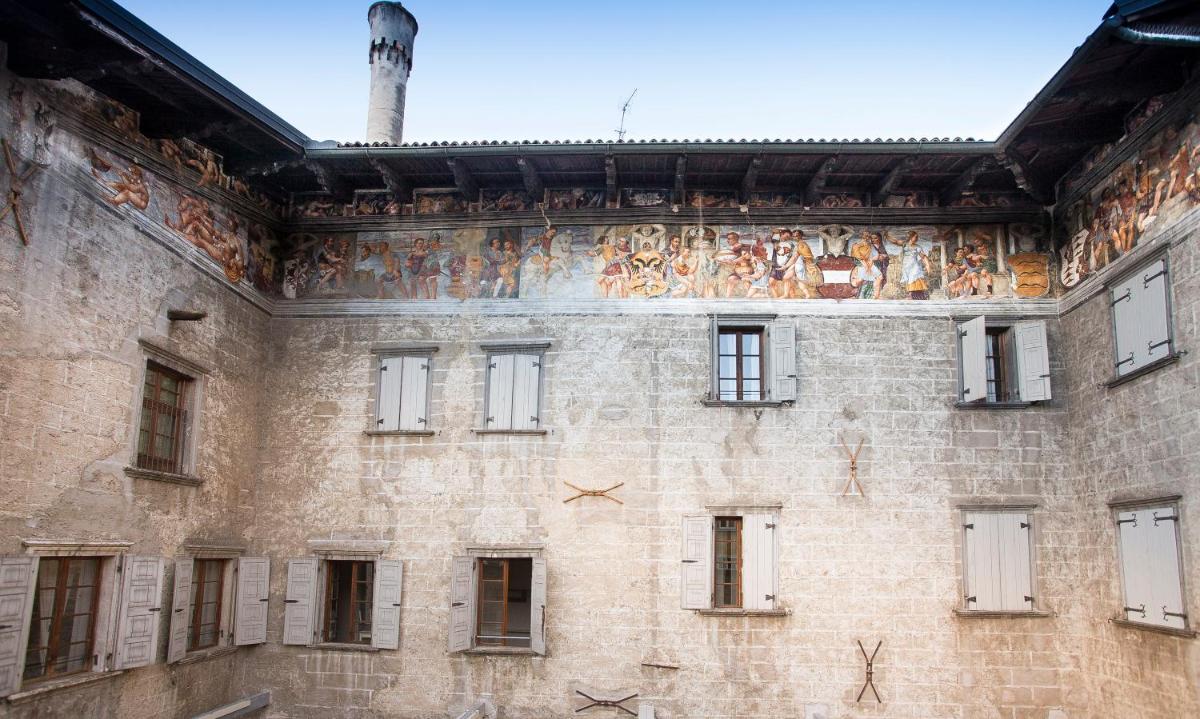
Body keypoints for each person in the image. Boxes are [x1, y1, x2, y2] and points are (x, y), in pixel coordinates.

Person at [886, 230, 933, 300]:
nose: (917, 238)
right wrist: (887, 236)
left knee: (913, 278)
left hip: (914, 265)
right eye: (915, 237)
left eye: (917, 237)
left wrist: (928, 266)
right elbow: (895, 242)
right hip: (906, 266)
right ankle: (913, 295)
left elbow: (923, 257)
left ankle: (911, 294)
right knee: (908, 279)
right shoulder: (904, 244)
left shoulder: (918, 247)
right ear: (911, 237)